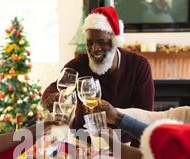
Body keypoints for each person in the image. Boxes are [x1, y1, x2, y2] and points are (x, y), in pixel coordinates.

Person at [42, 6, 154, 142]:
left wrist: (135, 155)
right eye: (90, 42)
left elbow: (145, 116)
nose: (94, 49)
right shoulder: (78, 64)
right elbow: (56, 87)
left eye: (102, 42)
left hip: (124, 142)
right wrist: (50, 97)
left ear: (115, 41)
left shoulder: (138, 65)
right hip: (82, 140)